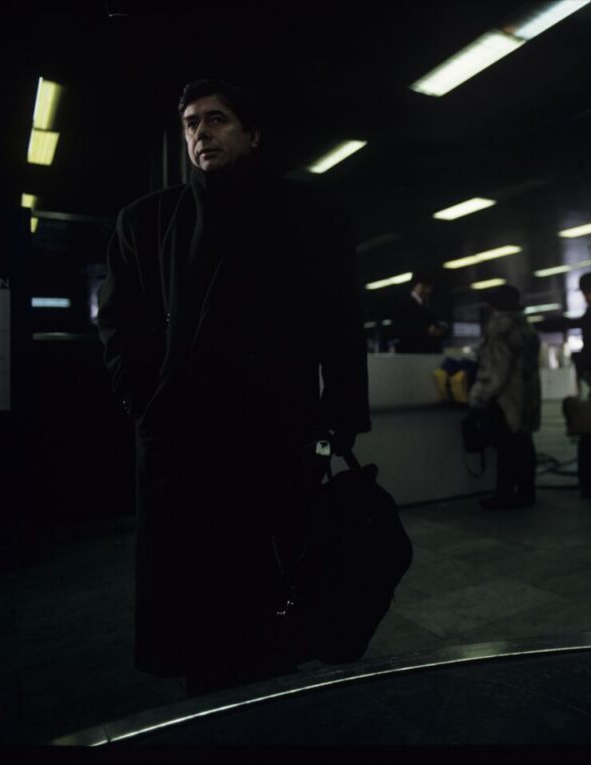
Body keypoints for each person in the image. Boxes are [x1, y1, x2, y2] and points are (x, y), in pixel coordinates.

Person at [96, 79, 370, 697]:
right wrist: (146, 406)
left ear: (252, 133)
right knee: (198, 604)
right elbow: (118, 325)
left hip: (275, 432)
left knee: (276, 589)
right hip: (182, 442)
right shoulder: (147, 221)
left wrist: (342, 414)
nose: (200, 133)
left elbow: (339, 318)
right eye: (191, 123)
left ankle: (272, 699)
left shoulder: (309, 214)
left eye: (216, 120)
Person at [468, 284, 541, 509]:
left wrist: (482, 395)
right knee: (524, 444)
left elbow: (499, 371)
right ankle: (527, 491)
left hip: (507, 398)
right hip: (527, 394)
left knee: (506, 448)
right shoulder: (526, 327)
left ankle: (504, 495)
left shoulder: (500, 329)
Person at [391, 271, 449, 353]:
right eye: (424, 286)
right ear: (415, 285)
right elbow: (401, 328)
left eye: (429, 287)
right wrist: (426, 331)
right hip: (411, 351)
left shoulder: (430, 304)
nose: (427, 291)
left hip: (428, 351)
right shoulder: (403, 304)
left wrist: (439, 329)